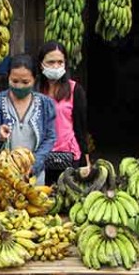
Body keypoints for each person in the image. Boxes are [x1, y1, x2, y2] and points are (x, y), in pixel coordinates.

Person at [0, 54, 56, 183]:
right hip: (2, 177)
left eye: (25, 82)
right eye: (14, 81)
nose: (19, 86)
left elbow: (49, 138)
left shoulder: (46, 105)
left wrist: (34, 165)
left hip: (33, 177)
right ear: (8, 78)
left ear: (35, 80)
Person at [37, 41, 89, 185]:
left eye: (60, 62)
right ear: (41, 64)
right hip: (40, 157)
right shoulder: (35, 91)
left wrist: (86, 161)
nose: (56, 66)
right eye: (51, 62)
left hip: (69, 156)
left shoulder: (75, 90)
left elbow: (81, 127)